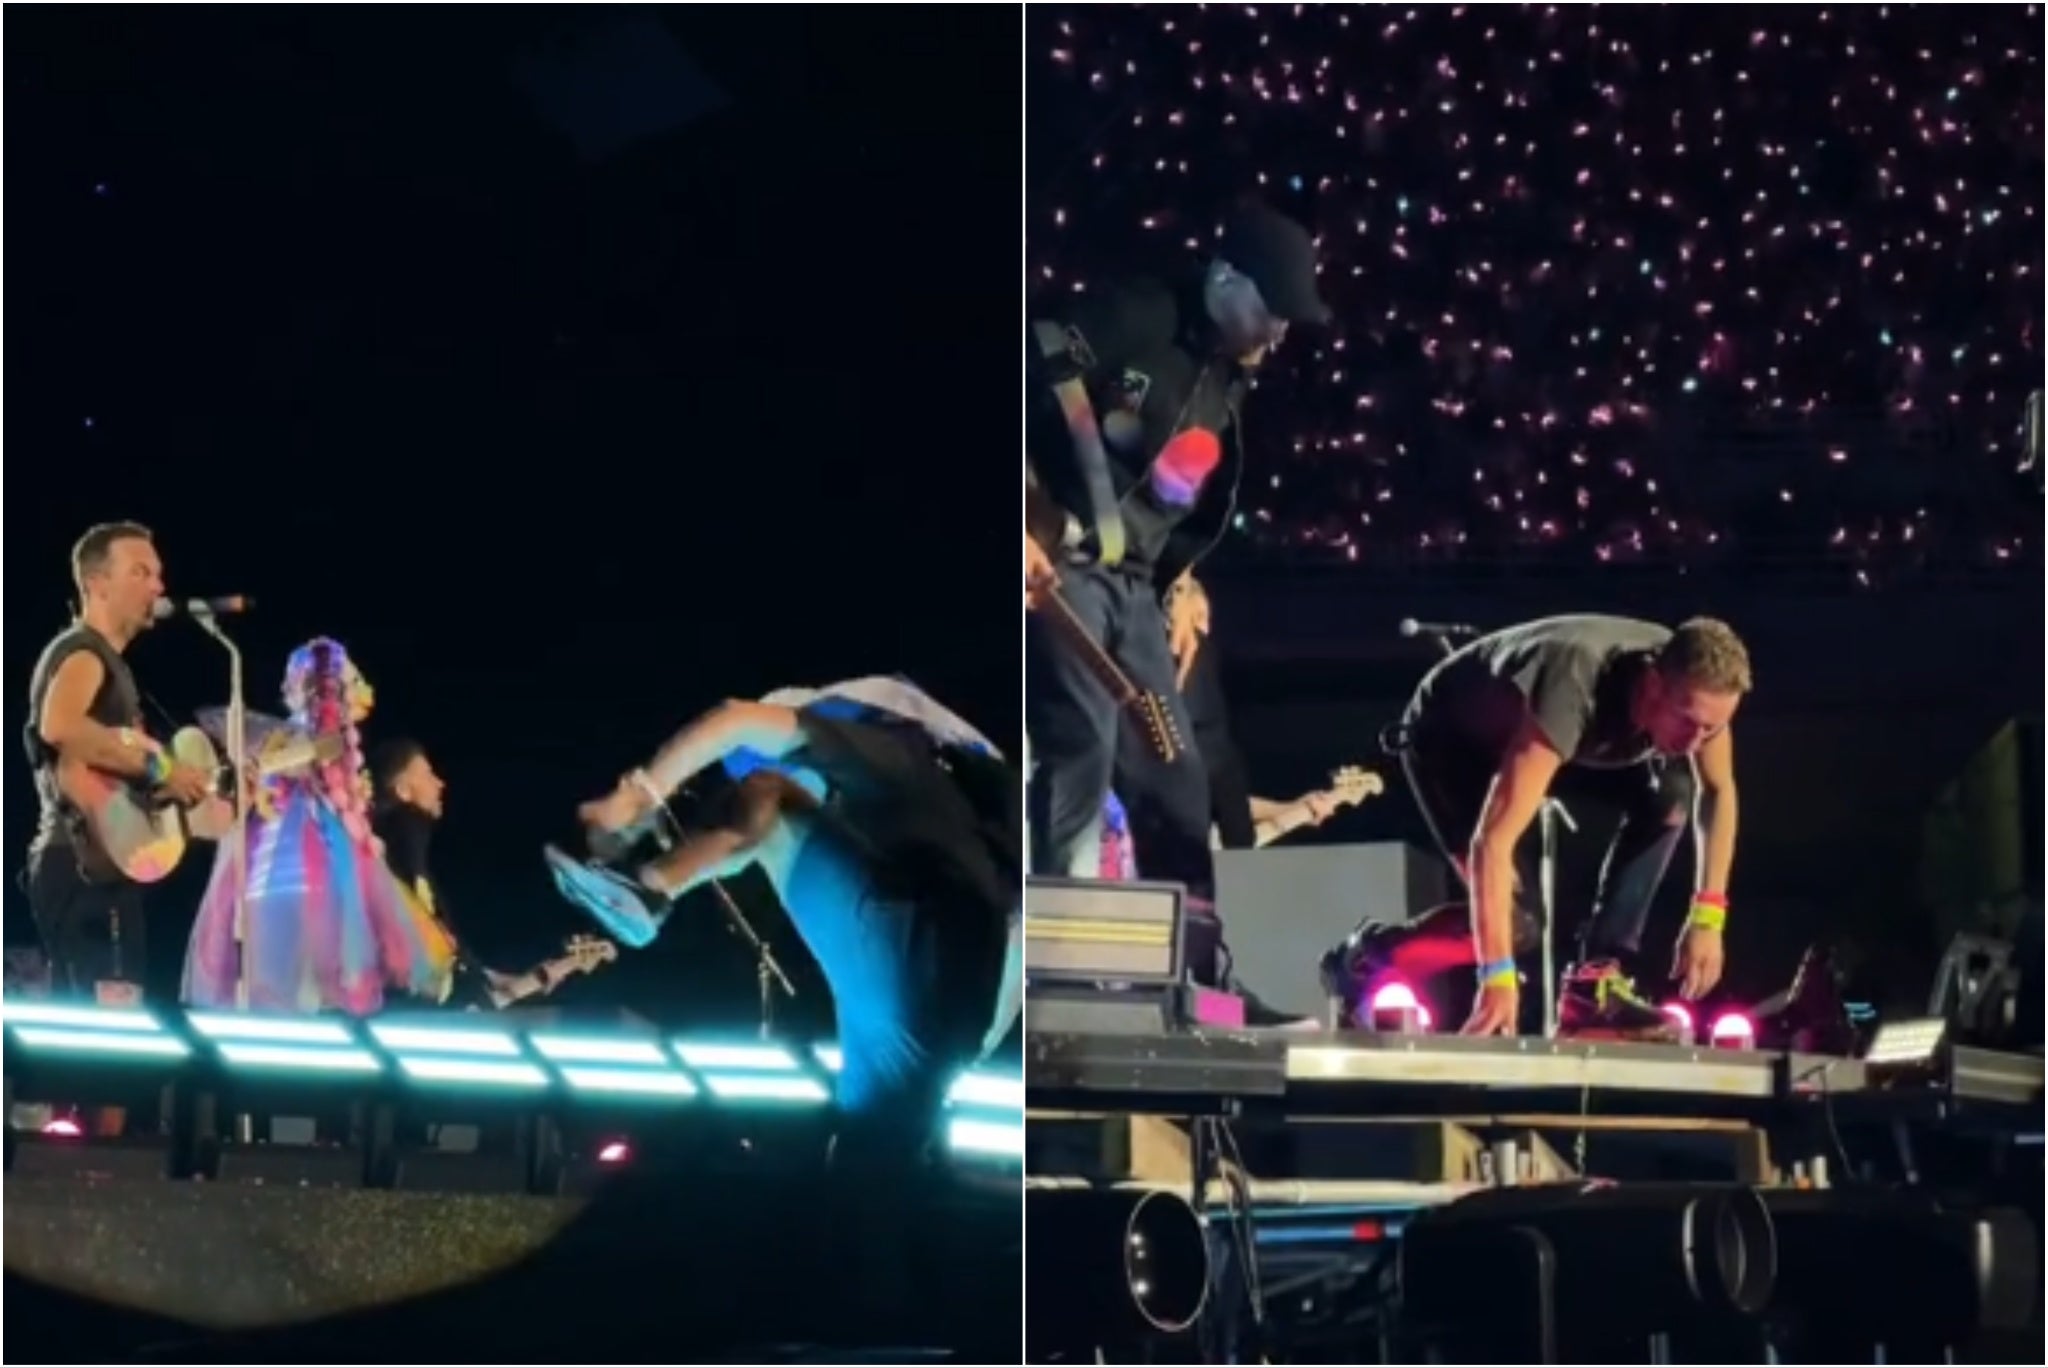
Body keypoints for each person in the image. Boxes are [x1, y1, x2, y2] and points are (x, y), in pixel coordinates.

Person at [1026, 201, 1331, 987]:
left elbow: (1179, 494)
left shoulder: (1231, 377)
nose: (1279, 334)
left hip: (1134, 589)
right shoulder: (1138, 312)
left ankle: (1195, 977)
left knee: (1175, 776)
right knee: (1080, 745)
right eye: (1272, 311)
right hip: (1066, 568)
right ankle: (1059, 966)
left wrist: (1183, 580)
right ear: (1225, 279)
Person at [546, 677, 1021, 1167]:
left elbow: (738, 718)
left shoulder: (891, 749)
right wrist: (974, 1048)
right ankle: (883, 1197)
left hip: (917, 964)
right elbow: (1016, 938)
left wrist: (635, 795)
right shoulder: (988, 824)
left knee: (769, 795)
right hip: (949, 1020)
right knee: (873, 1151)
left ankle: (651, 889)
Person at [1322, 615, 1752, 1040]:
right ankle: (1368, 959)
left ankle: (1594, 985)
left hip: (1554, 738)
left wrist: (1708, 919)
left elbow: (1717, 792)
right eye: (1687, 721)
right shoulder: (1575, 681)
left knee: (1671, 796)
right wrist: (1498, 978)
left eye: (1710, 729)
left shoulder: (1699, 695)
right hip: (1454, 742)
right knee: (1517, 925)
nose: (1696, 741)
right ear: (1655, 685)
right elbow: (1492, 843)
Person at [181, 639, 446, 1014]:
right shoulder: (303, 740)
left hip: (301, 867)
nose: (361, 690)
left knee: (302, 975)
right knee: (301, 971)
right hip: (295, 868)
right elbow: (281, 774)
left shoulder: (324, 745)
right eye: (349, 681)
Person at [23, 523, 214, 1003]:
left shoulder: (110, 664)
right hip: (82, 869)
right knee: (104, 1048)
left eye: (158, 574)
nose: (158, 586)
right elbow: (60, 726)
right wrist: (162, 771)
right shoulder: (84, 652)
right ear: (97, 584)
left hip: (99, 870)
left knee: (109, 1045)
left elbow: (110, 766)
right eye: (141, 572)